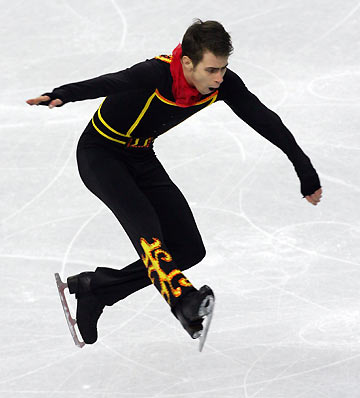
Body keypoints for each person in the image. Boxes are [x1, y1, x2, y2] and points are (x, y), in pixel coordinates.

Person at [26, 19, 322, 345]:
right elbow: (110, 82)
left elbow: (265, 119)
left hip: (141, 158)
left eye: (223, 68)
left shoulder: (222, 85)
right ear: (187, 63)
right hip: (101, 156)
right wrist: (63, 95)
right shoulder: (156, 74)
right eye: (211, 70)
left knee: (188, 249)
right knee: (150, 235)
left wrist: (304, 169)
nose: (219, 77)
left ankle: (97, 289)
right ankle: (183, 301)